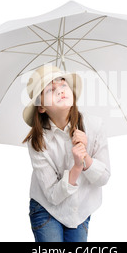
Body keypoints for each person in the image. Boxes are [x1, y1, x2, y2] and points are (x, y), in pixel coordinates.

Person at [22, 64, 110, 242]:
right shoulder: (38, 142)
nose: (60, 91)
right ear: (41, 107)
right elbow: (53, 196)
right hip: (47, 208)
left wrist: (85, 157)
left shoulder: (93, 126)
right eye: (50, 90)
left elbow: (104, 178)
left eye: (63, 85)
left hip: (80, 210)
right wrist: (77, 167)